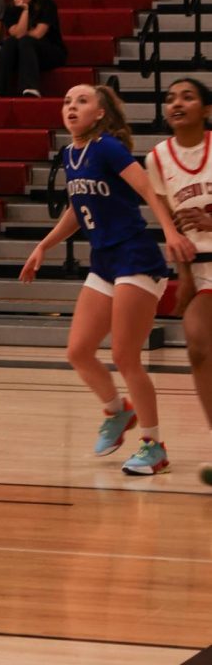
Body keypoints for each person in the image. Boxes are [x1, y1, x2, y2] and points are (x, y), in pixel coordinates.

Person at [21, 84, 194, 476]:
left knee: (124, 355)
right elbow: (77, 209)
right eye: (66, 100)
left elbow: (149, 190)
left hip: (136, 256)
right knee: (78, 352)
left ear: (100, 113)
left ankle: (154, 445)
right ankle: (118, 412)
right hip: (104, 262)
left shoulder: (108, 148)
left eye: (82, 101)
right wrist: (43, 246)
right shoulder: (70, 153)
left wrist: (169, 231)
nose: (71, 106)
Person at [145, 78, 212, 483]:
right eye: (170, 98)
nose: (177, 103)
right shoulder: (157, 158)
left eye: (187, 96)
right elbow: (172, 223)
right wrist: (184, 277)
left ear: (206, 109)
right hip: (201, 266)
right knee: (199, 350)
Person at [0, 0, 67, 98]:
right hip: (23, 52)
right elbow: (17, 35)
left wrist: (26, 12)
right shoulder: (11, 8)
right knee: (10, 42)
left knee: (26, 41)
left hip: (49, 51)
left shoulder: (47, 3)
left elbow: (38, 34)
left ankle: (30, 87)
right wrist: (25, 11)